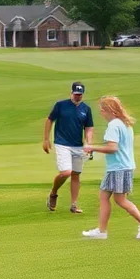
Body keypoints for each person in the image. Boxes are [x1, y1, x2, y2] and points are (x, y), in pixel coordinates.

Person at [82, 97, 140, 240]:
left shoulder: (114, 125)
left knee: (120, 200)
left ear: (108, 111)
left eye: (102, 111)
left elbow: (112, 148)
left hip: (118, 167)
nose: (101, 114)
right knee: (105, 196)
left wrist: (92, 147)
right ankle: (101, 231)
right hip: (122, 166)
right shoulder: (125, 124)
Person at [43, 81, 95, 215]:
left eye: (80, 95)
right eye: (76, 94)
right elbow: (50, 120)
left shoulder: (86, 109)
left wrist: (89, 143)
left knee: (76, 174)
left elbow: (89, 127)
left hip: (78, 145)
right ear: (71, 93)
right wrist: (46, 139)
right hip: (62, 143)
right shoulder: (61, 105)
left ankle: (74, 204)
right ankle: (53, 193)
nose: (78, 97)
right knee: (66, 172)